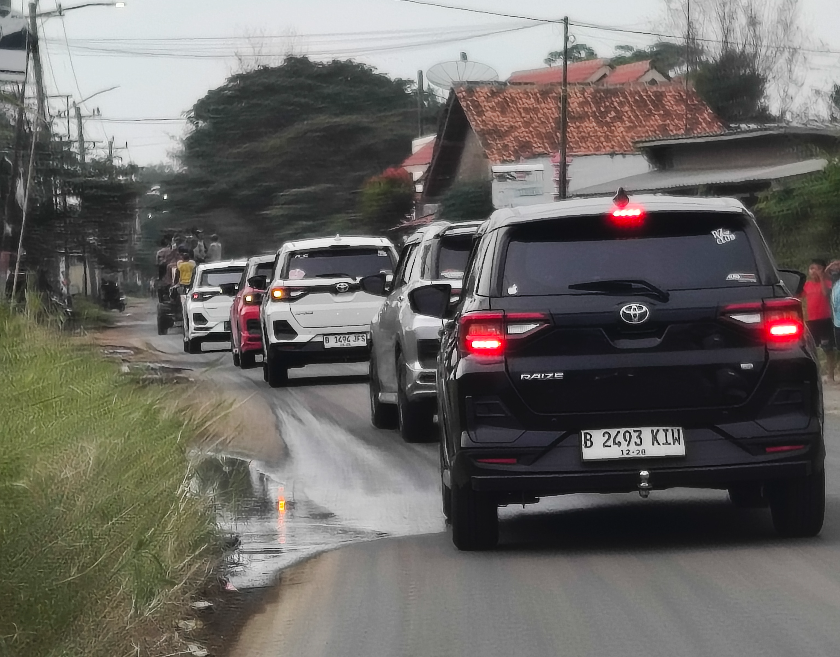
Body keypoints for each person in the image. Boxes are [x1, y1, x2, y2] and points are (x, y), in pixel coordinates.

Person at [802, 258, 835, 382]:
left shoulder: (827, 283)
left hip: (825, 320)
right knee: (811, 348)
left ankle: (831, 375)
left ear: (823, 270)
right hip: (811, 321)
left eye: (817, 269)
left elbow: (825, 293)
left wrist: (822, 277)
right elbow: (798, 298)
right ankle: (814, 375)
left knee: (828, 348)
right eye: (811, 268)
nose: (813, 271)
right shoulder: (807, 285)